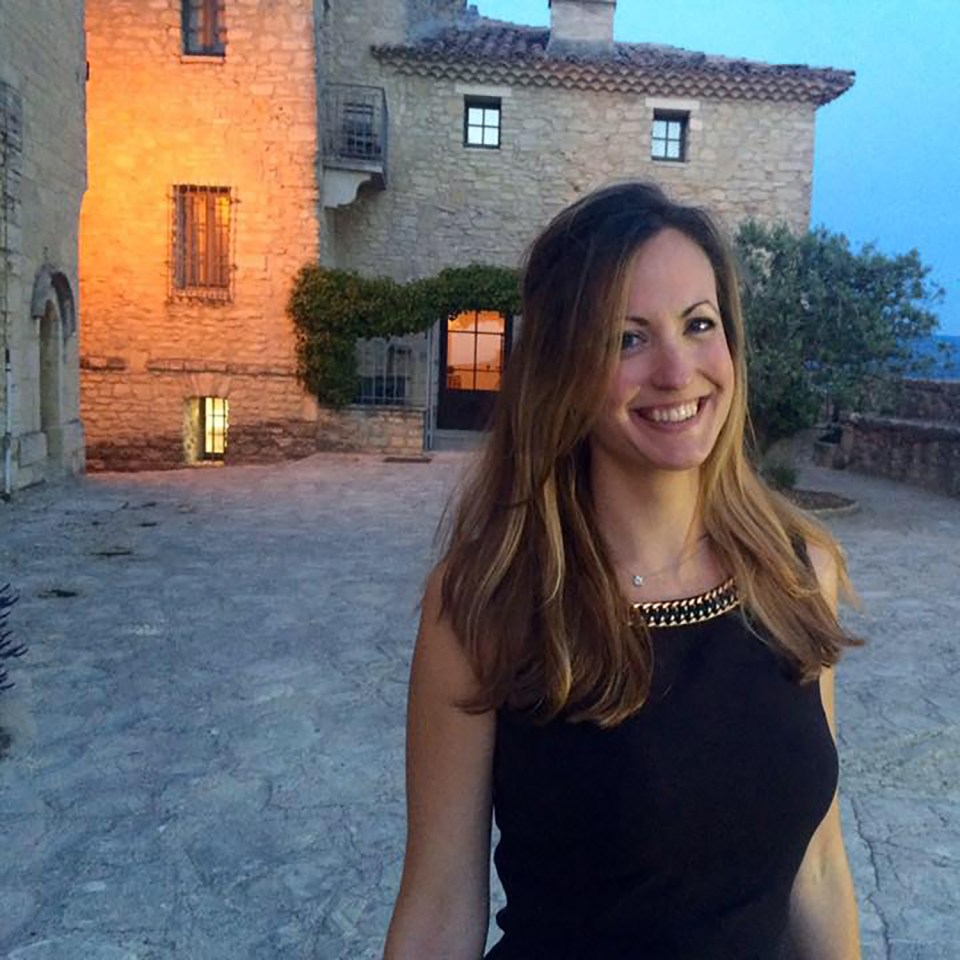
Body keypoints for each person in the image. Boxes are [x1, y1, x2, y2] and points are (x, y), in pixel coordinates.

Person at [383, 181, 862, 960]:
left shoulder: (798, 573)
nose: (678, 371)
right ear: (563, 370)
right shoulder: (486, 605)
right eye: (627, 339)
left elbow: (818, 862)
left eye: (698, 325)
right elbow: (439, 905)